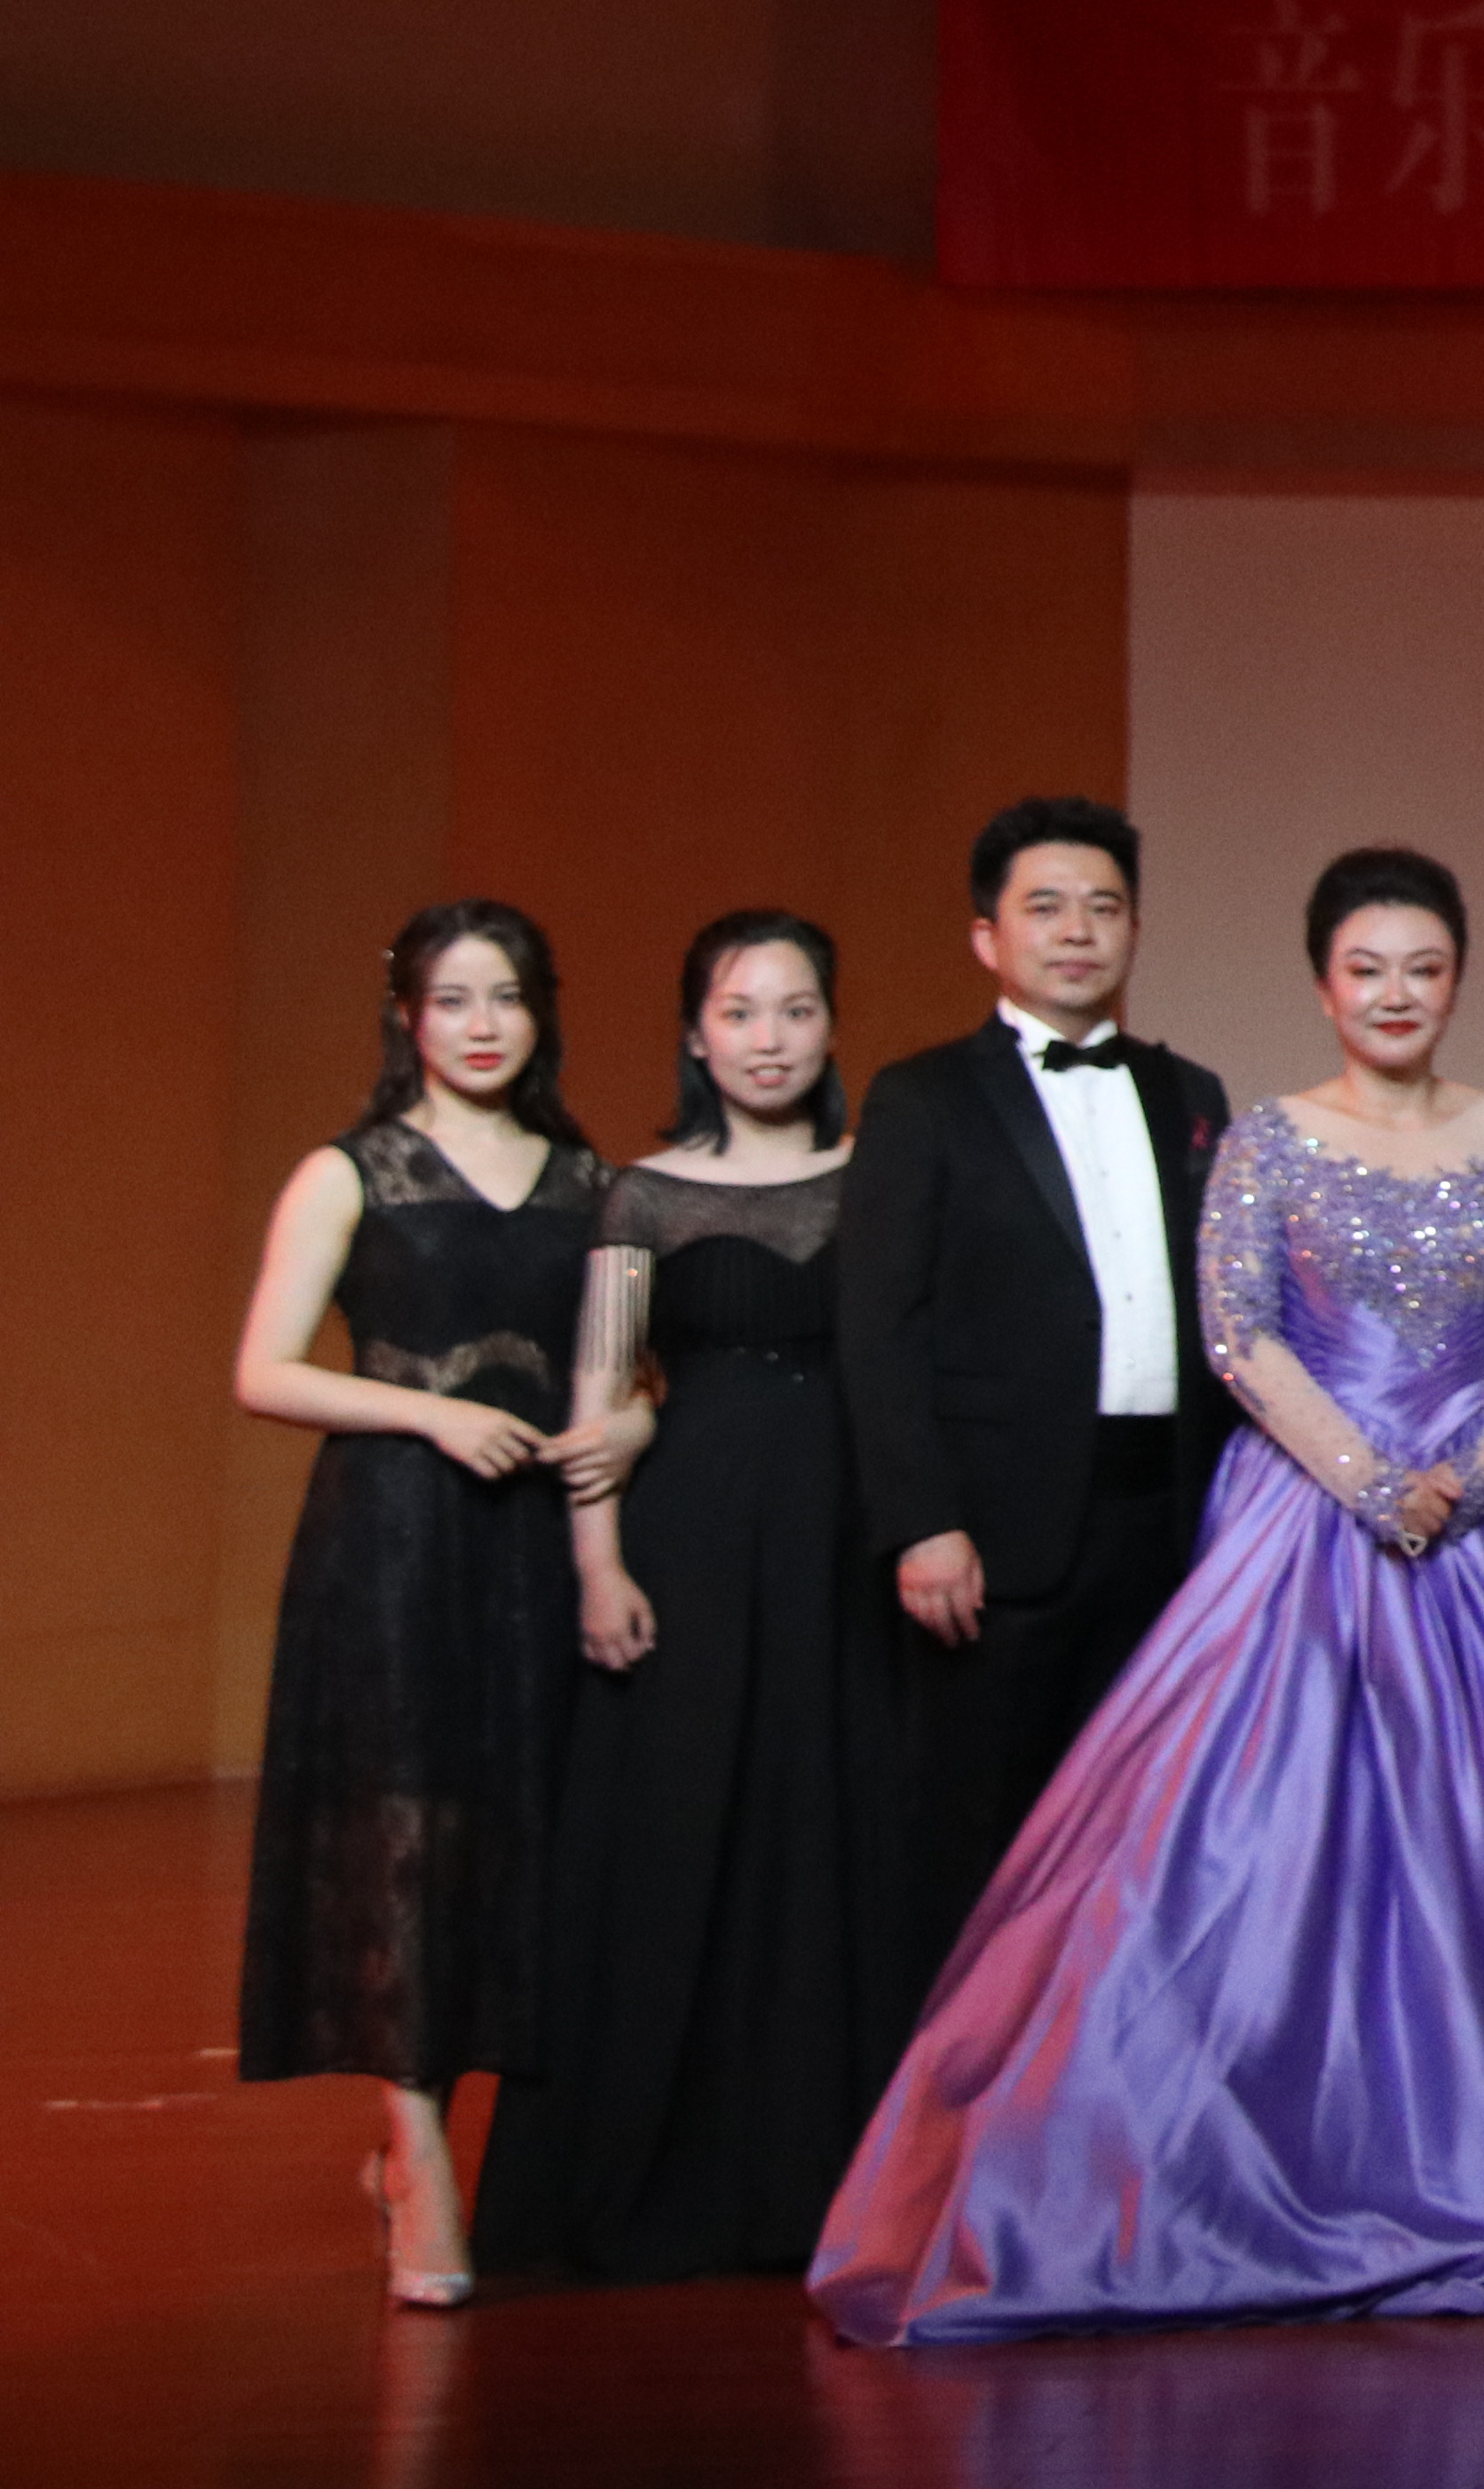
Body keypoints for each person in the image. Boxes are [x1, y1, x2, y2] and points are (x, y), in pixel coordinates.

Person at [813, 848, 1484, 2341]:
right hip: (1313, 1522)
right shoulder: (1262, 1135)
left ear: (1458, 980)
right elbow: (1239, 1335)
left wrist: (1474, 1471)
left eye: (1423, 968)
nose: (1395, 994)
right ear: (1323, 985)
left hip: (1482, 1526)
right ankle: (1225, 2167)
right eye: (1366, 969)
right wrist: (1373, 1482)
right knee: (1247, 1857)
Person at [482, 913, 917, 2283]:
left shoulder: (881, 1179)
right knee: (678, 1834)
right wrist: (598, 1564)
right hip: (692, 1541)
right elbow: (602, 1391)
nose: (768, 1039)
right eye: (739, 1012)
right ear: (694, 1035)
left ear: (831, 1028)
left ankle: (831, 2177)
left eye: (795, 1010)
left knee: (835, 1834)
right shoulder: (644, 1196)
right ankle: (654, 2179)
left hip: (848, 1540)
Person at [229, 901, 617, 2309]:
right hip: (393, 1538)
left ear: (540, 1010)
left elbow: (624, 1372)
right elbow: (264, 1371)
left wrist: (629, 1428)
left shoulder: (590, 1181)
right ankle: (419, 2152)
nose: (482, 1024)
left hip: (536, 1543)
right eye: (453, 999)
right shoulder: (349, 1172)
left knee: (516, 1833)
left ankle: (448, 2147)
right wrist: (430, 1415)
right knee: (407, 1835)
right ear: (408, 1016)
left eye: (506, 996)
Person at [834, 798, 1235, 1992]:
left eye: (1103, 907)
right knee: (976, 1841)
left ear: (1135, 930)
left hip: (1164, 1524)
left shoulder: (1192, 1094)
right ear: (987, 936)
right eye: (1045, 907)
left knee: (1145, 1837)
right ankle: (957, 2096)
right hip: (995, 1536)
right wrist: (921, 1520)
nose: (1076, 931)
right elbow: (879, 1326)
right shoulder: (923, 1097)